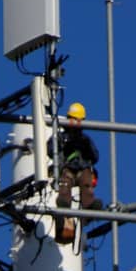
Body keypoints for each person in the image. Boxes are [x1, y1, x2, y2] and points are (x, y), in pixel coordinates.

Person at [51, 102, 99, 241]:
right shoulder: (61, 137)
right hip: (67, 168)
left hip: (82, 168)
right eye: (73, 119)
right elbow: (50, 148)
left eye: (78, 120)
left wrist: (85, 148)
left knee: (86, 183)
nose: (75, 123)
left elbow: (95, 156)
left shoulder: (85, 139)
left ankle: (89, 206)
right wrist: (62, 145)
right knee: (65, 182)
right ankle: (64, 204)